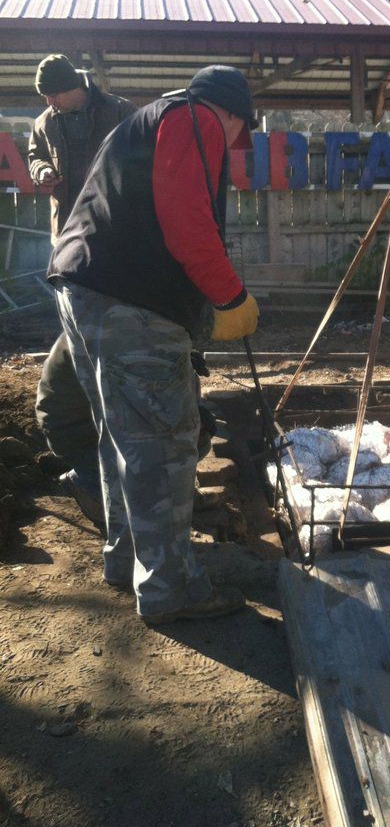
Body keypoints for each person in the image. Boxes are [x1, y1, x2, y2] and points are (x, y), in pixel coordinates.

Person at [47, 65, 260, 623]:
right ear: (234, 113)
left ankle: (126, 562)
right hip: (128, 302)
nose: (235, 145)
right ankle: (172, 590)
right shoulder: (199, 118)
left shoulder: (147, 118)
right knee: (163, 445)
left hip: (84, 287)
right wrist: (231, 297)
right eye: (243, 133)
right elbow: (189, 223)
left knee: (123, 437)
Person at [36, 333, 218, 535]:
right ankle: (92, 487)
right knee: (179, 440)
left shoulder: (141, 317)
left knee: (195, 436)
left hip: (104, 417)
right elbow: (137, 398)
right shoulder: (114, 323)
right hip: (78, 432)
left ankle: (175, 491)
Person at [28, 54, 135, 242]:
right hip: (66, 230)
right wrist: (42, 169)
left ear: (71, 88)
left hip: (114, 229)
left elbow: (145, 159)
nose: (49, 102)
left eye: (52, 95)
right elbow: (36, 156)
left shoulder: (121, 112)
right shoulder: (44, 124)